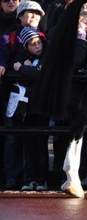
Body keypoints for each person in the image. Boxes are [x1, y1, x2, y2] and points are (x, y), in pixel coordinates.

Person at [12, 26, 49, 192]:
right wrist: (22, 66)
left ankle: (43, 179)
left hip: (41, 106)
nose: (38, 46)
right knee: (28, 144)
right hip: (26, 107)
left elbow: (38, 73)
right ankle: (30, 178)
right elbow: (15, 63)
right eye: (33, 44)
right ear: (26, 46)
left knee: (41, 143)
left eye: (39, 42)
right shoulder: (22, 56)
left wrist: (23, 69)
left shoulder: (46, 56)